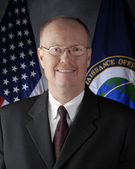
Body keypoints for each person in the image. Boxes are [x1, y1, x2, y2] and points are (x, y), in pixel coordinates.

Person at [0, 16, 135, 169]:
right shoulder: (5, 121)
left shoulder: (125, 122)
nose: (65, 58)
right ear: (42, 57)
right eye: (55, 49)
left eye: (76, 49)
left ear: (88, 56)